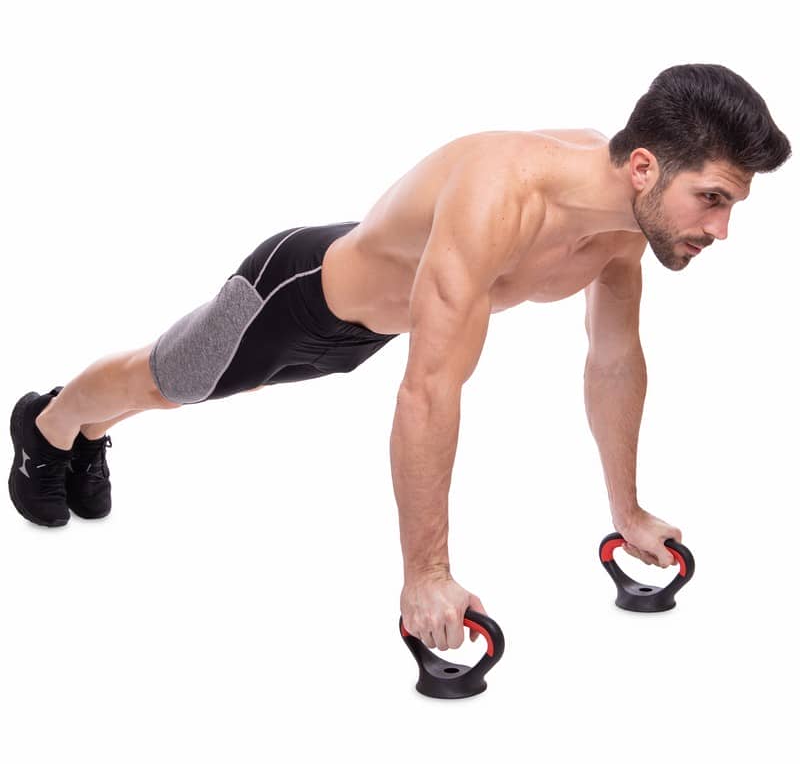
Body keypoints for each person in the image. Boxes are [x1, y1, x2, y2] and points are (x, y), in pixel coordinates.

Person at [9, 63, 791, 653]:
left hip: (373, 330)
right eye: (713, 199)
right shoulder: (501, 195)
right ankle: (49, 427)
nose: (721, 230)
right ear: (646, 167)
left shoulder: (624, 226)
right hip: (297, 298)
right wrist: (426, 575)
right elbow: (429, 391)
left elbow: (614, 359)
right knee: (167, 382)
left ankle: (81, 435)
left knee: (178, 386)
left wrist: (627, 512)